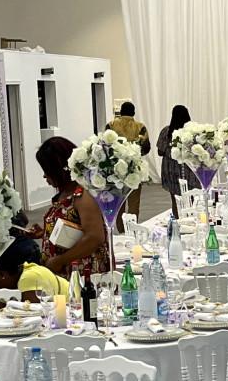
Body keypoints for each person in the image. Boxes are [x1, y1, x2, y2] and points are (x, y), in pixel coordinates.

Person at [31, 136, 108, 276]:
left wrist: (60, 260)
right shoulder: (66, 193)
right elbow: (74, 227)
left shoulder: (83, 195)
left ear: (58, 170)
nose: (44, 176)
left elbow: (95, 237)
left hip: (82, 274)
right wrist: (46, 232)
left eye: (46, 170)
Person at [105, 101, 150, 229]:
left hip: (115, 169)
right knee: (134, 202)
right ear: (133, 112)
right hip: (134, 168)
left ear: (121, 112)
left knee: (119, 201)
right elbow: (146, 147)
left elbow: (105, 145)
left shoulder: (111, 125)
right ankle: (132, 227)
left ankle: (120, 228)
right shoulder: (140, 126)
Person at [156, 104, 199, 218]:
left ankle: (178, 223)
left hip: (171, 170)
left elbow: (160, 152)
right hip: (189, 169)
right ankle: (191, 221)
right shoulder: (192, 132)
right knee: (191, 198)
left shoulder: (166, 131)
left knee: (176, 200)